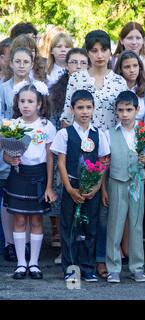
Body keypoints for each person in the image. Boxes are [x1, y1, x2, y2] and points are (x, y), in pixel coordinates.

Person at [60, 30, 127, 279]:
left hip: (110, 150)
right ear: (87, 53)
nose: (99, 55)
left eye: (103, 50)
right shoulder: (77, 78)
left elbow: (123, 116)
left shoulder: (119, 81)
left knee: (106, 207)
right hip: (80, 153)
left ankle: (101, 259)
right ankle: (76, 262)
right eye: (94, 50)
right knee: (81, 206)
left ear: (111, 52)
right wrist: (74, 148)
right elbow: (67, 117)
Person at [50, 89, 110, 283]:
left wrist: (97, 187)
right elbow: (60, 163)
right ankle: (70, 268)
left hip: (91, 190)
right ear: (72, 109)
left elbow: (103, 162)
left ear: (94, 109)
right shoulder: (64, 134)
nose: (85, 111)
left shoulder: (98, 134)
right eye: (80, 107)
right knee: (69, 228)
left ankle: (88, 268)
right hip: (72, 187)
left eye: (89, 107)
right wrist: (69, 189)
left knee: (90, 228)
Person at [4, 83, 57, 280]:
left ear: (39, 104)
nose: (26, 105)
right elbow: (6, 157)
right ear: (17, 103)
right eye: (22, 101)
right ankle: (20, 264)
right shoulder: (13, 125)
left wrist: (49, 186)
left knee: (36, 220)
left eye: (30, 101)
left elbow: (50, 157)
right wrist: (12, 159)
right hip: (19, 175)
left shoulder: (46, 126)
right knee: (19, 219)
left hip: (40, 176)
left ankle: (33, 263)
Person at [103, 91, 145, 283]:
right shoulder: (109, 133)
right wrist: (104, 189)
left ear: (137, 110)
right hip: (115, 181)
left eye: (129, 110)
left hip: (137, 182)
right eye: (121, 110)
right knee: (115, 224)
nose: (124, 114)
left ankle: (137, 267)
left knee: (136, 225)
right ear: (116, 111)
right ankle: (113, 267)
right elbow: (104, 164)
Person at [48, 48, 90, 264]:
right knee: (67, 208)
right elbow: (59, 123)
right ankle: (65, 252)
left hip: (88, 156)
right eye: (74, 62)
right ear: (67, 65)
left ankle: (84, 255)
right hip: (65, 152)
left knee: (85, 209)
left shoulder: (93, 88)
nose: (79, 67)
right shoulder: (58, 90)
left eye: (83, 63)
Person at [0, 47, 35, 262]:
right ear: (10, 63)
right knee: (8, 195)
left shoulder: (37, 87)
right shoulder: (3, 87)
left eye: (26, 61)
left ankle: (28, 241)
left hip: (31, 142)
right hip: (7, 139)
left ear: (32, 64)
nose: (21, 65)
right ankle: (9, 242)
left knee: (27, 196)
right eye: (17, 61)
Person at [112, 22, 145, 88]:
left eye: (138, 38)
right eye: (130, 38)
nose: (134, 42)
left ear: (143, 40)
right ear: (121, 40)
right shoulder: (112, 61)